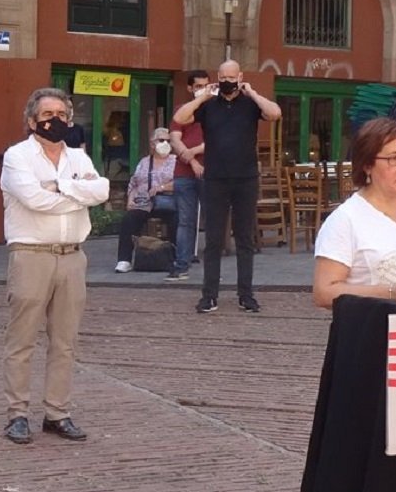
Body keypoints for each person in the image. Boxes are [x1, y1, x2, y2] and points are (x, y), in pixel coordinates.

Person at [0, 88, 109, 444]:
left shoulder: (79, 158)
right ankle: (17, 414)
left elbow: (103, 191)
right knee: (23, 339)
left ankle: (57, 413)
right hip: (31, 254)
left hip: (73, 256)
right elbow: (33, 200)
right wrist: (77, 194)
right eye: (47, 114)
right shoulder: (17, 156)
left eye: (61, 114)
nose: (55, 120)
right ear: (32, 121)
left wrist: (60, 186)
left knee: (65, 341)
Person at [171, 60, 281, 313]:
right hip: (216, 179)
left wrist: (251, 92)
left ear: (239, 76)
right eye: (224, 76)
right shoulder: (209, 105)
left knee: (244, 239)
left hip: (246, 178)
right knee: (213, 240)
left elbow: (274, 113)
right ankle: (209, 296)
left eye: (233, 77)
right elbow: (180, 117)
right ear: (218, 77)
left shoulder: (250, 102)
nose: (228, 81)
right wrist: (201, 97)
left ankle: (246, 295)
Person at [311, 117, 396, 310]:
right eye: (394, 159)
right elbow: (324, 293)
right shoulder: (346, 219)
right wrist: (391, 292)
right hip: (372, 330)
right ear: (368, 165)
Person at [165, 69, 210, 281]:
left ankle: (212, 268)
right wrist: (192, 160)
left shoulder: (215, 110)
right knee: (185, 220)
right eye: (198, 86)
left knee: (213, 221)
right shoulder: (180, 111)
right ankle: (181, 264)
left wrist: (195, 151)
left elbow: (219, 139)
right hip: (184, 172)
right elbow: (174, 139)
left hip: (210, 171)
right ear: (190, 88)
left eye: (206, 85)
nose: (202, 90)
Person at [115, 127, 179, 272]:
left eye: (168, 141)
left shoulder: (175, 161)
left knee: (177, 219)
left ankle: (175, 258)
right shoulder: (144, 162)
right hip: (144, 203)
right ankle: (124, 260)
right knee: (129, 219)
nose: (165, 143)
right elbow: (134, 183)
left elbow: (181, 183)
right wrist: (130, 200)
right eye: (161, 140)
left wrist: (162, 187)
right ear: (152, 144)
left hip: (166, 202)